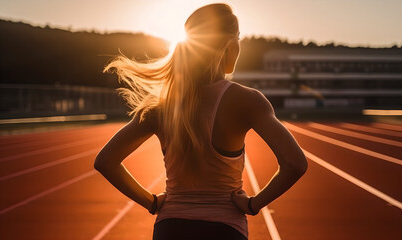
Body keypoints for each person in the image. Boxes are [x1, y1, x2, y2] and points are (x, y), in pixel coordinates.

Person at [94, 3, 307, 240]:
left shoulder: (161, 106)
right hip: (224, 229)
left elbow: (105, 161)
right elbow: (295, 163)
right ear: (230, 44)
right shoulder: (247, 100)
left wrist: (152, 203)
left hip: (170, 228)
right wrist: (253, 205)